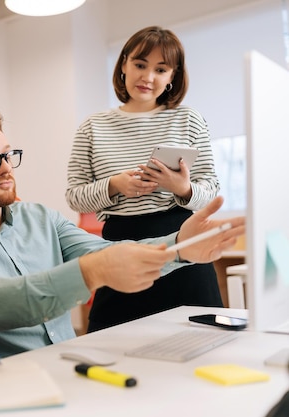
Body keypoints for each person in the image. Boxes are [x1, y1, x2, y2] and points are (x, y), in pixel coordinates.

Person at [0, 105, 244, 359]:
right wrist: (90, 272)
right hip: (1, 384)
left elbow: (105, 254)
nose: (6, 168)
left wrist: (182, 246)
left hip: (69, 365)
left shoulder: (39, 217)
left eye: (8, 156)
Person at [65, 26, 223, 332]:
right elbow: (74, 195)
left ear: (172, 77)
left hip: (183, 238)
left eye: (160, 69)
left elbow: (212, 190)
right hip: (120, 243)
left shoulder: (189, 119)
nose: (148, 77)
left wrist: (183, 188)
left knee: (199, 343)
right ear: (123, 64)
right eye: (140, 64)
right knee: (113, 343)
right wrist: (115, 185)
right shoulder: (92, 127)